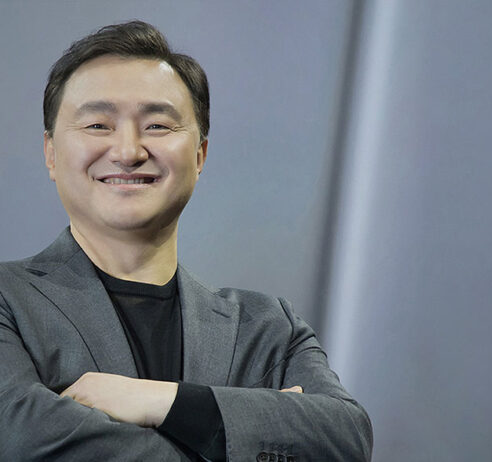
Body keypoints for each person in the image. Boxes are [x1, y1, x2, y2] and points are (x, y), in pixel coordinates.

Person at [0, 21, 372, 462]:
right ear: (51, 153)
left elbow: (345, 439)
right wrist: (237, 432)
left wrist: (162, 401)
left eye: (157, 125)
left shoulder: (269, 328)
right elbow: (22, 438)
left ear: (200, 156)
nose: (128, 151)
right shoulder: (10, 301)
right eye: (98, 124)